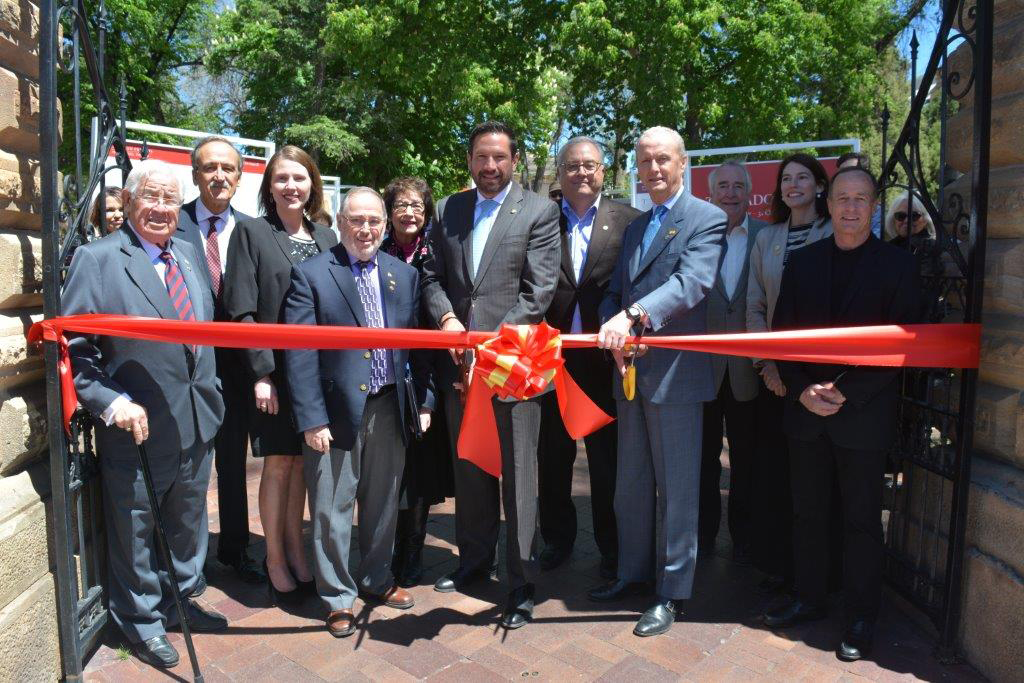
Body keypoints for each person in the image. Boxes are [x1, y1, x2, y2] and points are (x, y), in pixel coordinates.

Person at [62, 160, 228, 669]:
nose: (161, 208)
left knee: (187, 518)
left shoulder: (187, 253)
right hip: (137, 420)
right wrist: (112, 403)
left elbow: (203, 330)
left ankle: (180, 599)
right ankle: (140, 622)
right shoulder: (99, 259)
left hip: (196, 415)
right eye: (151, 198)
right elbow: (75, 347)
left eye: (170, 200)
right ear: (130, 202)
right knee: (135, 526)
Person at [764, 167, 920, 662]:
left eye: (861, 199)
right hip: (806, 410)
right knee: (807, 512)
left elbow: (905, 345)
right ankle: (810, 597)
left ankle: (860, 614)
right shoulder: (803, 263)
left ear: (874, 205)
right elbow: (782, 336)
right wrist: (804, 389)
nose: (851, 208)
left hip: (863, 413)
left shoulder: (897, 266)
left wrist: (846, 392)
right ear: (829, 203)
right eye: (843, 198)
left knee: (860, 521)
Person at [420, 120, 560, 630]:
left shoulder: (540, 212)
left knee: (520, 476)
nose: (489, 166)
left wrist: (490, 345)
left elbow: (538, 292)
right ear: (470, 160)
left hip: (515, 365)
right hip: (461, 365)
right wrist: (448, 320)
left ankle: (521, 585)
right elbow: (432, 277)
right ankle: (473, 564)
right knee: (471, 469)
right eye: (481, 157)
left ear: (515, 160)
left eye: (499, 157)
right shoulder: (449, 209)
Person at [591, 126, 726, 638]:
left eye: (662, 160)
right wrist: (613, 326)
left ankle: (672, 593)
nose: (653, 170)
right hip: (630, 374)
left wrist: (634, 316)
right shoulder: (635, 227)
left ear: (683, 162)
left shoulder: (706, 219)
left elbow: (692, 283)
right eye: (645, 161)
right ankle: (632, 573)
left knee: (677, 492)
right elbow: (616, 292)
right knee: (631, 484)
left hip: (676, 377)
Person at [284, 186, 432, 637]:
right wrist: (311, 418)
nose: (365, 229)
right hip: (334, 412)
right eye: (356, 220)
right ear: (340, 223)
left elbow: (417, 345)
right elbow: (299, 352)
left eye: (374, 221)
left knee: (384, 500)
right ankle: (337, 595)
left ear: (384, 226)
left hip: (390, 405)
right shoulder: (310, 274)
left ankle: (375, 578)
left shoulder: (402, 275)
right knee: (331, 506)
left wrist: (425, 401)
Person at [222, 145, 337, 603]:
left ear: (313, 185)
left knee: (305, 467)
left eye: (300, 178)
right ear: (269, 187)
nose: (292, 186)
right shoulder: (251, 233)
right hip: (275, 373)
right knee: (279, 463)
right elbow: (240, 308)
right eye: (282, 178)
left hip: (318, 373)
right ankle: (274, 557)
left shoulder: (328, 236)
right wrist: (261, 373)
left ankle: (296, 548)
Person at [537, 136, 640, 577]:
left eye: (591, 165)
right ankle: (557, 540)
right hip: (551, 361)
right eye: (573, 165)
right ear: (560, 172)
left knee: (608, 462)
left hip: (606, 362)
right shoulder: (539, 220)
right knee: (553, 459)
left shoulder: (630, 221)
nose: (582, 172)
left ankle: (611, 547)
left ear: (604, 172)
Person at [174, 136, 263, 584]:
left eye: (228, 168)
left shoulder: (252, 228)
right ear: (195, 175)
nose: (219, 176)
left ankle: (235, 548)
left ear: (240, 175)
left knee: (232, 462)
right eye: (209, 168)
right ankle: (183, 556)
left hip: (237, 367)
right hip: (186, 367)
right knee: (188, 466)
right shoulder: (172, 225)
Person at [745, 152, 833, 594]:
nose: (793, 185)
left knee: (816, 478)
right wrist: (768, 365)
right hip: (775, 378)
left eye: (802, 177)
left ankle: (820, 569)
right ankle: (780, 564)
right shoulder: (767, 239)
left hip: (823, 377)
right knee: (776, 475)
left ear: (820, 185)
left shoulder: (837, 232)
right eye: (786, 179)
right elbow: (755, 306)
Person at [380, 176, 454, 587]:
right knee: (387, 466)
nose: (409, 213)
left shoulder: (435, 253)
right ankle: (387, 544)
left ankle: (413, 550)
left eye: (417, 207)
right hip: (384, 373)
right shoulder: (376, 247)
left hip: (427, 373)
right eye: (401, 205)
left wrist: (426, 397)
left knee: (420, 470)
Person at [698, 160, 766, 563]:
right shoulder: (696, 236)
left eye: (737, 185)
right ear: (710, 193)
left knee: (748, 462)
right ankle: (703, 538)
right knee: (703, 462)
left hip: (748, 372)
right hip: (702, 371)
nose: (730, 192)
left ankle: (745, 539)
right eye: (722, 186)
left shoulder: (767, 235)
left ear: (748, 190)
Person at [835, 152, 881, 238]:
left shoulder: (876, 211)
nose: (845, 176)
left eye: (851, 170)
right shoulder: (832, 206)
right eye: (841, 172)